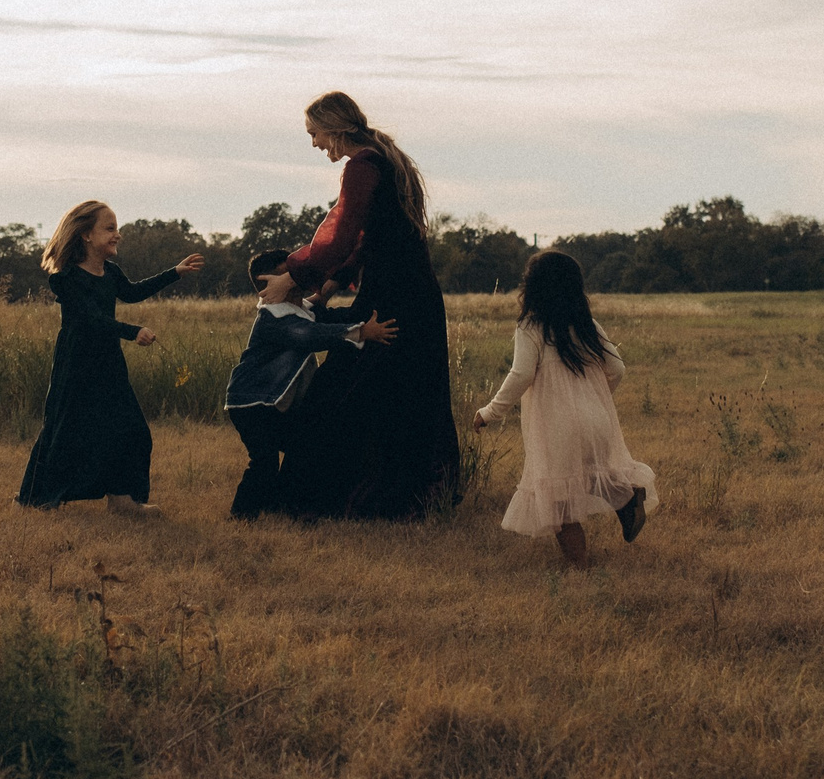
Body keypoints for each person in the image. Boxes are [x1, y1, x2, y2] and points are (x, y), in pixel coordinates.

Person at [274, 91, 459, 520]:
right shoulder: (385, 160)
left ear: (335, 127)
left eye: (315, 133)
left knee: (348, 387)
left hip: (395, 296)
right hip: (411, 294)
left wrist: (294, 275)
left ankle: (335, 497)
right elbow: (367, 241)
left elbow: (340, 236)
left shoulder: (362, 166)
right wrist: (330, 286)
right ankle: (405, 495)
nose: (316, 143)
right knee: (397, 392)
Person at [473, 249, 658, 569]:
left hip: (560, 428)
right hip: (596, 422)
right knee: (584, 477)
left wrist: (489, 412)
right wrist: (596, 399)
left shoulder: (531, 328)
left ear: (532, 288)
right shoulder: (588, 325)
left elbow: (520, 375)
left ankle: (579, 566)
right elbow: (618, 369)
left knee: (558, 500)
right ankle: (627, 497)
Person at [16, 200, 204, 515]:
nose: (117, 235)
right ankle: (37, 498)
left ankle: (122, 499)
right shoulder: (66, 278)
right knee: (66, 429)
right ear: (86, 235)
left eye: (117, 228)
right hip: (77, 364)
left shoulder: (110, 271)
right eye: (110, 228)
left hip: (108, 362)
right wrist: (133, 332)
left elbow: (132, 292)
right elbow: (90, 320)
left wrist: (175, 272)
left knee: (131, 429)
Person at [222, 250, 397, 518]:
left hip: (274, 404)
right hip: (251, 404)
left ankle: (281, 503)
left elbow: (323, 306)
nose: (295, 278)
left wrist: (344, 271)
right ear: (267, 284)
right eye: (287, 274)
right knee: (263, 462)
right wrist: (361, 332)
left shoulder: (299, 308)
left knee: (306, 448)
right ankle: (241, 515)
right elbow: (309, 335)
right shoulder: (274, 317)